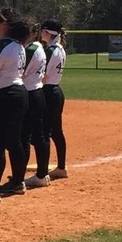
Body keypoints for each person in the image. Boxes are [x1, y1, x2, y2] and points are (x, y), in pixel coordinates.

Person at [0, 9, 30, 196]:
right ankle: (18, 181)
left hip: (3, 95)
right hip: (19, 92)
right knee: (14, 141)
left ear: (4, 24)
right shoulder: (19, 45)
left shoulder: (1, 45)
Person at [21, 22, 51, 188]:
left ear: (33, 34)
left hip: (31, 93)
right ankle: (42, 173)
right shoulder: (39, 47)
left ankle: (38, 175)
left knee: (26, 136)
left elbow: (20, 72)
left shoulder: (31, 49)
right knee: (37, 135)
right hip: (36, 92)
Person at [40, 19, 68, 179]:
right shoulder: (60, 48)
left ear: (47, 33)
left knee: (45, 132)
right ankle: (61, 167)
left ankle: (42, 173)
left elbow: (42, 75)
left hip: (48, 92)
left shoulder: (50, 51)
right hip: (56, 90)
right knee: (56, 131)